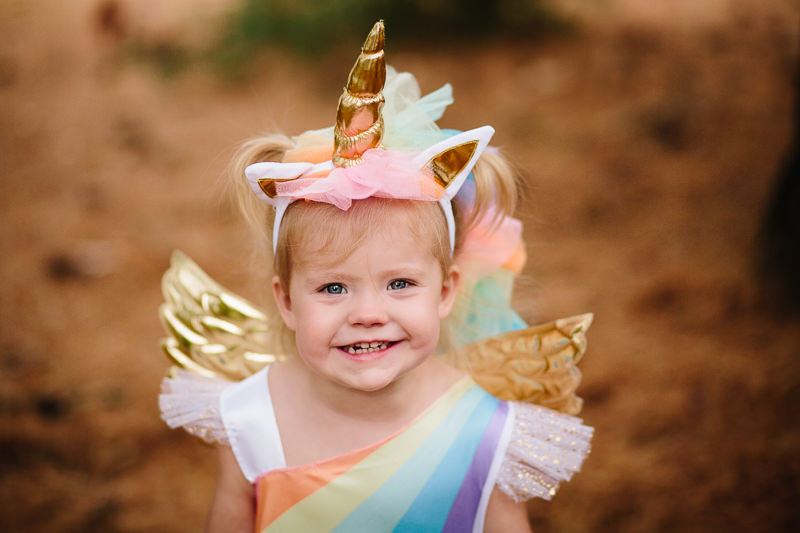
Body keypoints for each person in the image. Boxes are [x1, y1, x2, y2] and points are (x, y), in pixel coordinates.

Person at [159, 21, 593, 533]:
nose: (367, 314)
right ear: (287, 302)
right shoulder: (252, 421)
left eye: (400, 284)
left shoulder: (487, 431)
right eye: (333, 288)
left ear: (446, 291)